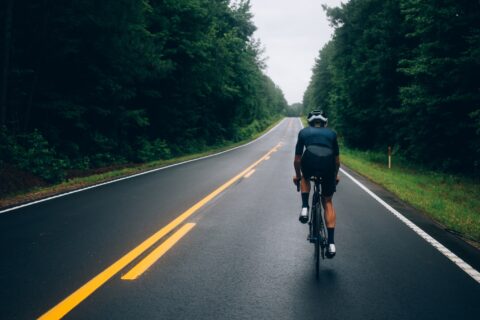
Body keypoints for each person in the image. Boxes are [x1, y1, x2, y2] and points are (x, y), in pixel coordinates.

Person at [293, 110, 340, 258]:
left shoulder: (303, 133)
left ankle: (305, 208)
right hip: (328, 166)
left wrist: (298, 176)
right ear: (325, 122)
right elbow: (337, 161)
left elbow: (297, 160)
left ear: (310, 122)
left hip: (309, 162)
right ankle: (331, 244)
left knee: (306, 179)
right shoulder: (332, 134)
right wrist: (334, 176)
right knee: (328, 201)